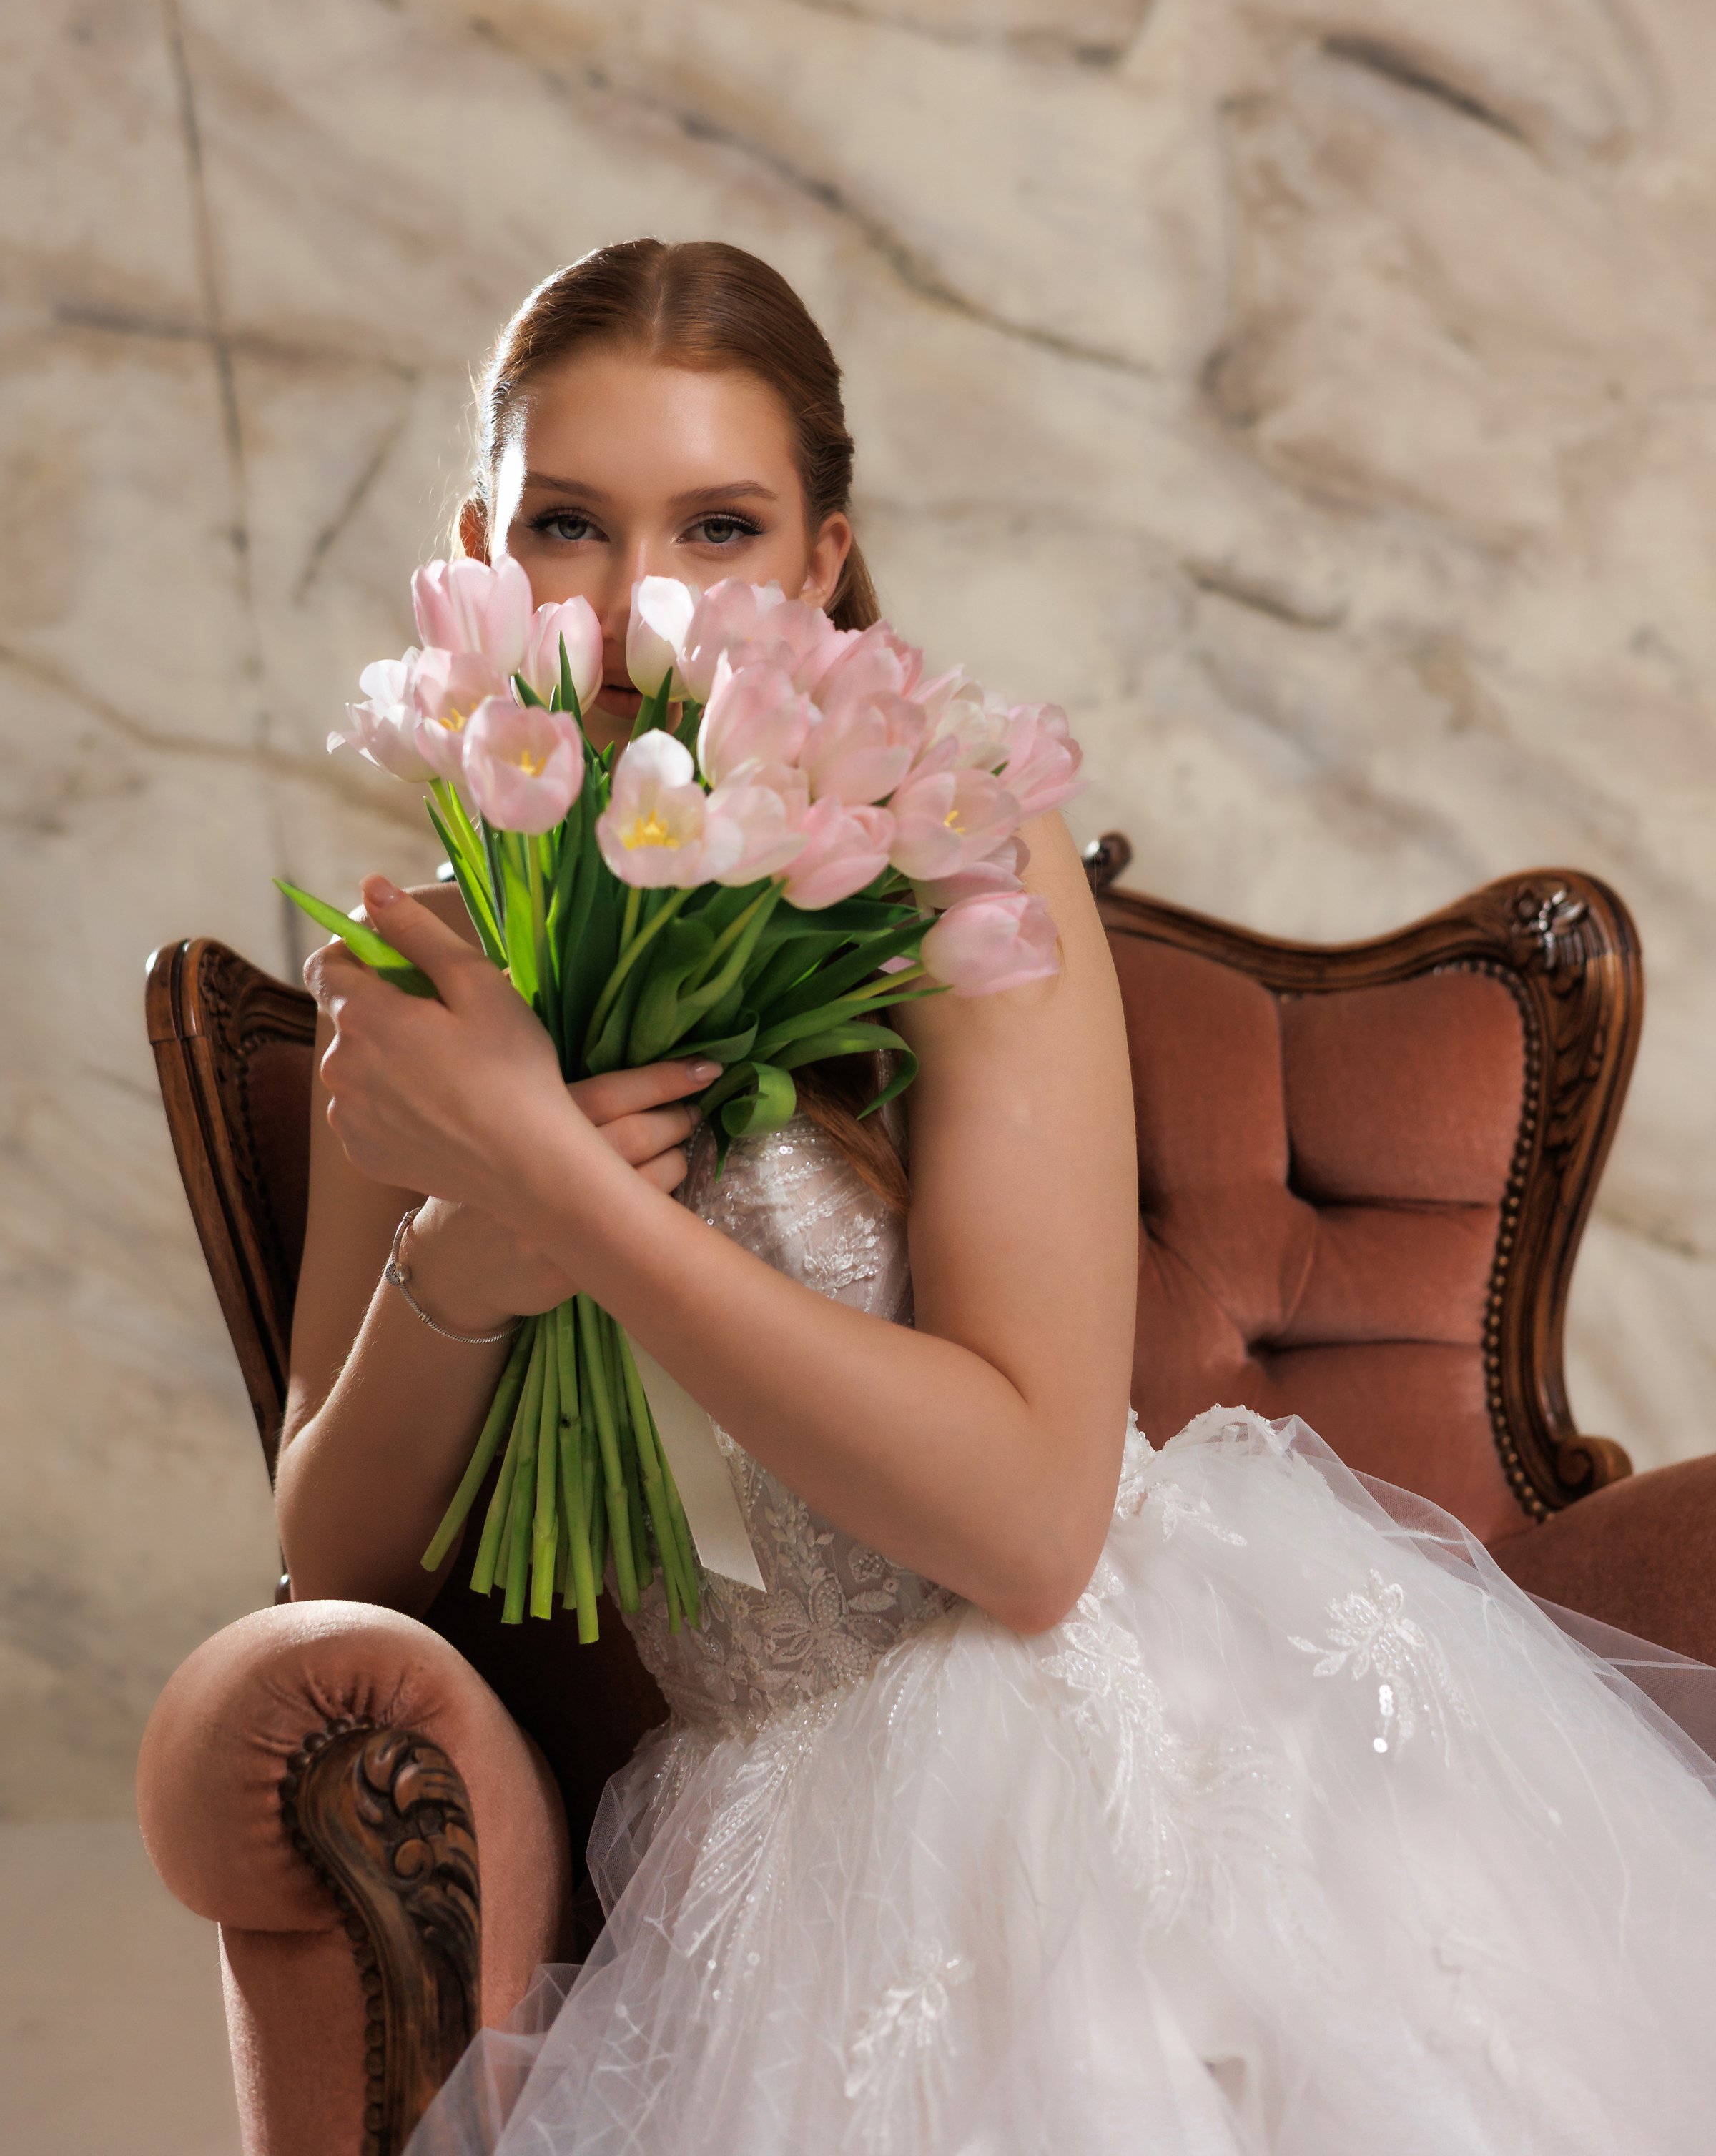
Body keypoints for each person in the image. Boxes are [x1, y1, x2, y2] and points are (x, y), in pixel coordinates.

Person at [289, 240, 1716, 2154]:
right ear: (482, 553)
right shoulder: (429, 987)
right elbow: (331, 1561)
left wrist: (570, 1191)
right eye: (568, 525)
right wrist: (468, 1256)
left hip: (1113, 1717)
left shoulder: (952, 855)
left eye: (720, 530)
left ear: (822, 567)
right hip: (778, 1816)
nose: (638, 607)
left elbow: (1032, 1536)